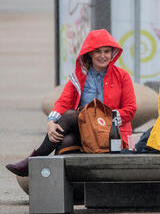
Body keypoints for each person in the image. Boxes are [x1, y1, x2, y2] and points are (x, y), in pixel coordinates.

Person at [6, 29, 137, 177]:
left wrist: (103, 118)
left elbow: (131, 109)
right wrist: (51, 122)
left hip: (111, 135)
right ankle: (57, 186)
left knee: (70, 116)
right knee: (65, 140)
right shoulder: (79, 76)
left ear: (112, 53)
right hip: (86, 133)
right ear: (90, 53)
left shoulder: (122, 76)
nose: (102, 56)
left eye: (106, 51)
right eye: (98, 51)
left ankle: (34, 161)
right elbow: (63, 101)